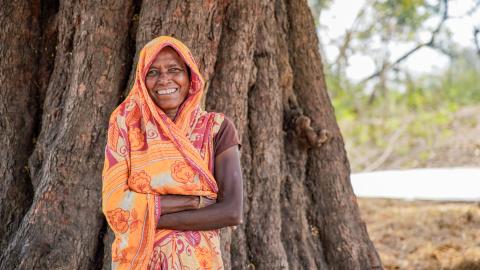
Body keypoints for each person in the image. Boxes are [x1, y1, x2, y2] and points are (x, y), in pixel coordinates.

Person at [102, 36, 243, 270]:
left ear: (190, 77)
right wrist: (194, 201)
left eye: (174, 69)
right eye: (153, 72)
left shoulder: (217, 128)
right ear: (142, 80)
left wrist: (145, 218)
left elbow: (230, 212)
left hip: (199, 262)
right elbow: (114, 205)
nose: (164, 79)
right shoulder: (126, 125)